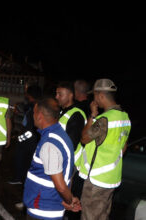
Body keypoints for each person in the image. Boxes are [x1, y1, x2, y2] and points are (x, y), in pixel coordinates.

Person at [78, 79, 131, 220]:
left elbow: (84, 138)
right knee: (102, 216)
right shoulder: (125, 117)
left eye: (95, 96)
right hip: (111, 177)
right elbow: (123, 147)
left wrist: (93, 115)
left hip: (96, 179)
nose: (94, 99)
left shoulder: (103, 120)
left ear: (100, 95)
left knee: (90, 216)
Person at [23, 98, 81, 220]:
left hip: (43, 210)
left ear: (39, 116)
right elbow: (68, 172)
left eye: (34, 113)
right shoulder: (60, 134)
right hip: (48, 206)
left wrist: (69, 200)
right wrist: (68, 198)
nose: (32, 116)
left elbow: (60, 186)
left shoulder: (49, 144)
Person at [55, 81, 87, 220]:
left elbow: (71, 144)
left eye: (60, 94)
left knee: (67, 197)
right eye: (56, 93)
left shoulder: (77, 115)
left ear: (70, 95)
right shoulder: (63, 111)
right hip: (61, 161)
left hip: (69, 164)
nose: (56, 97)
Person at [8, 84, 42, 185]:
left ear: (30, 95)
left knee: (21, 157)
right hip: (36, 139)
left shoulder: (33, 108)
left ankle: (19, 178)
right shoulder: (40, 105)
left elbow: (29, 129)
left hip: (30, 139)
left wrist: (20, 138)